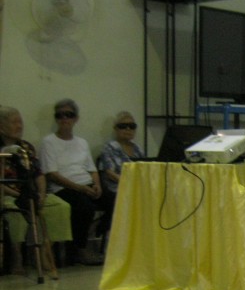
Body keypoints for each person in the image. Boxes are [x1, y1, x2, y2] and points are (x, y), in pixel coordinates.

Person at [0, 106, 70, 278]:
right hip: (8, 194)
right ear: (1, 126)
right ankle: (17, 257)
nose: (19, 126)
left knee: (60, 207)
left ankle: (43, 252)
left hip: (31, 193)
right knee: (15, 212)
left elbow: (39, 174)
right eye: (14, 122)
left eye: (20, 122)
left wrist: (41, 193)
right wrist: (19, 195)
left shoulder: (26, 147)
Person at [39, 98, 105, 265]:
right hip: (63, 187)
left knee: (116, 201)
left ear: (76, 118)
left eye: (68, 115)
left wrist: (97, 185)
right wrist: (81, 188)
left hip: (86, 184)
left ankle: (93, 239)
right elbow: (52, 174)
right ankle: (80, 249)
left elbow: (92, 169)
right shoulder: (49, 142)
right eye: (60, 115)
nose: (64, 119)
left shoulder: (82, 142)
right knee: (85, 207)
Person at [97, 111, 144, 229]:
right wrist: (129, 182)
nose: (128, 129)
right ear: (116, 129)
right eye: (123, 126)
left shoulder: (137, 148)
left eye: (132, 126)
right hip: (116, 187)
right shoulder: (109, 147)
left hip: (137, 186)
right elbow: (109, 172)